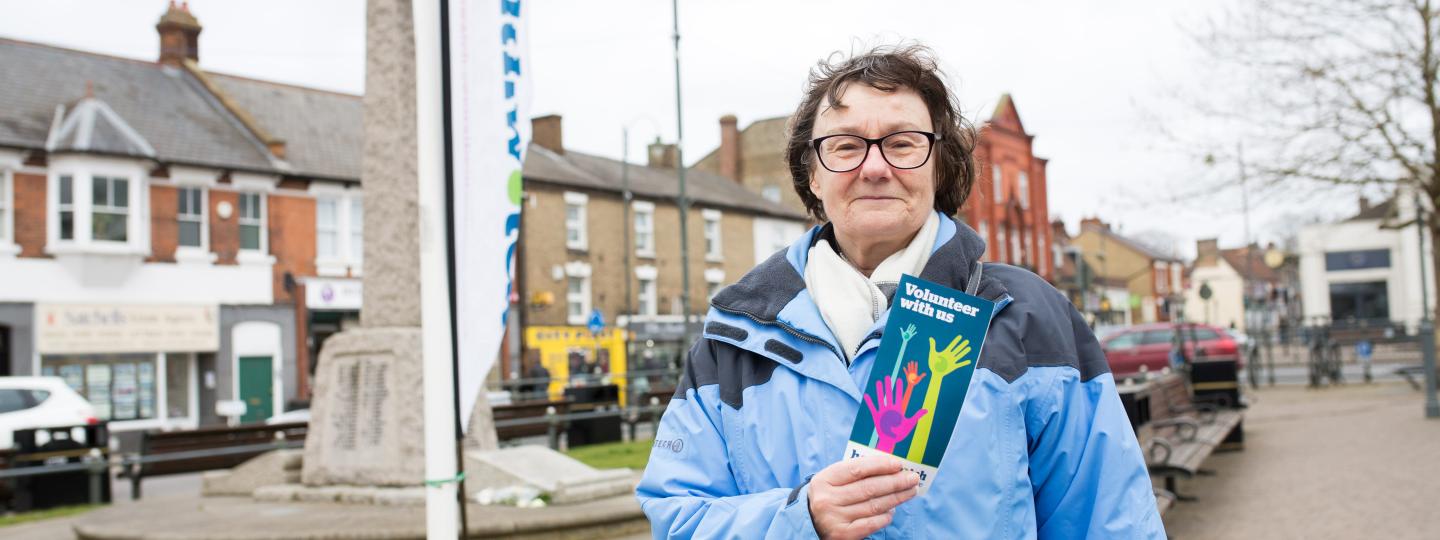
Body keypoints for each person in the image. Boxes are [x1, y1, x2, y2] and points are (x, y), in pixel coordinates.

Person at [636, 44, 1163, 538]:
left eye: (902, 143)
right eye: (844, 146)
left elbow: (1109, 518)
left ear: (940, 165)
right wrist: (801, 519)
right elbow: (678, 515)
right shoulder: (735, 335)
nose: (874, 167)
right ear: (812, 176)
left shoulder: (1026, 316)